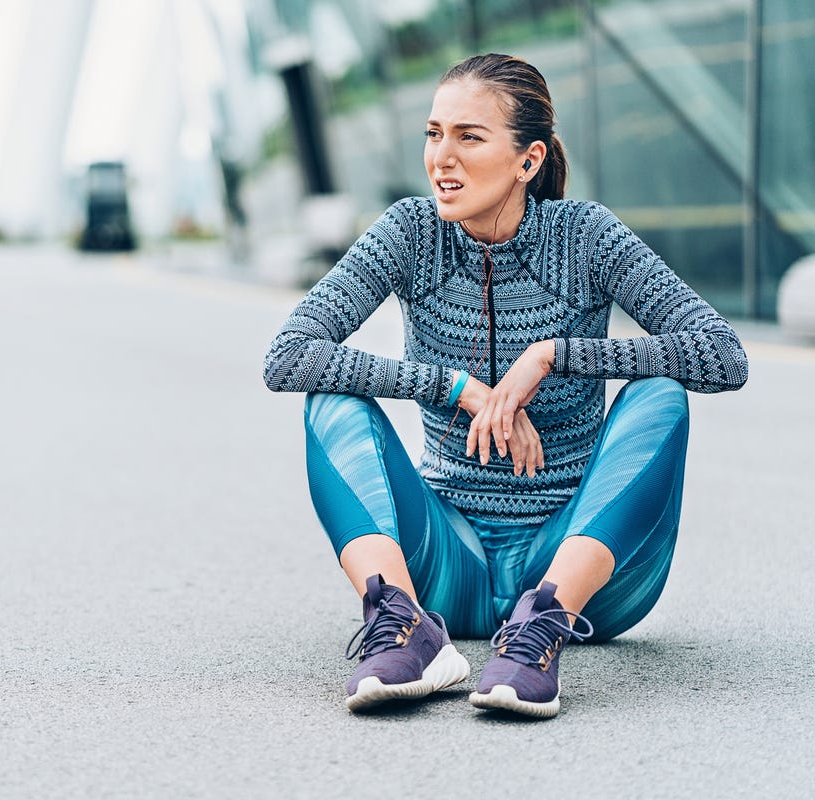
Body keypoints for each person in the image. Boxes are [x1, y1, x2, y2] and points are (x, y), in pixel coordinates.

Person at [262, 53, 748, 718]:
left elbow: (722, 354)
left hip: (580, 568)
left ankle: (540, 628)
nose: (442, 158)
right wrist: (451, 385)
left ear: (528, 160)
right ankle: (405, 625)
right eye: (434, 134)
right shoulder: (411, 232)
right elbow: (289, 356)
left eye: (469, 136)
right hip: (446, 565)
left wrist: (555, 355)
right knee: (331, 398)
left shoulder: (585, 236)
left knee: (660, 393)